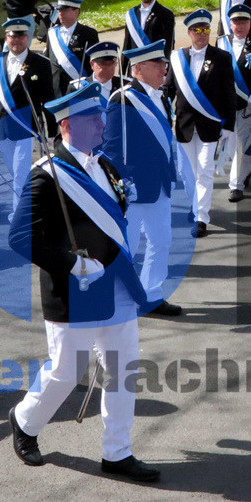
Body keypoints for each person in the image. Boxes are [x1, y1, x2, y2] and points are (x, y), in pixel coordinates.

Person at [7, 84, 159, 483]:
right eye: (94, 119)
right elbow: (21, 238)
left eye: (102, 117)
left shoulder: (105, 165)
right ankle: (25, 421)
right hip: (74, 292)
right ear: (67, 125)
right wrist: (73, 265)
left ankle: (117, 451)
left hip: (117, 287)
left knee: (122, 369)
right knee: (66, 372)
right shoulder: (47, 176)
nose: (102, 124)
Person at [100, 40, 182, 318]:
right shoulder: (123, 99)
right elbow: (111, 148)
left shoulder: (162, 97)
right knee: (128, 247)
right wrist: (120, 186)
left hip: (158, 184)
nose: (164, 69)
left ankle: (151, 296)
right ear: (138, 68)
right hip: (133, 188)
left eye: (164, 64)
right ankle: (116, 298)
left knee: (161, 241)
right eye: (158, 64)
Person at [165, 9, 236, 238]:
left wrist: (229, 125)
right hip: (184, 125)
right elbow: (169, 90)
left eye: (206, 30)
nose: (202, 34)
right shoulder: (177, 58)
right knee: (188, 173)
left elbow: (229, 94)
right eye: (197, 30)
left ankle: (201, 217)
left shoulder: (221, 58)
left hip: (210, 125)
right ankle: (193, 206)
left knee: (204, 171)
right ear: (189, 32)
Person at [0, 16, 55, 222]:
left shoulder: (40, 64)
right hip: (3, 127)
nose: (15, 40)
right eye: (11, 36)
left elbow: (48, 97)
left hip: (27, 127)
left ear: (28, 38)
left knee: (20, 173)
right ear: (6, 38)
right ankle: (36, 202)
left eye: (20, 36)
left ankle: (19, 216)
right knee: (15, 172)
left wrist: (52, 128)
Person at [215, 3, 251, 203]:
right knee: (231, 148)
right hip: (225, 106)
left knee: (242, 146)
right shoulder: (221, 42)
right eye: (235, 22)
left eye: (243, 21)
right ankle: (246, 170)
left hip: (247, 105)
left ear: (250, 23)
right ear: (230, 24)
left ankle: (236, 186)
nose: (239, 25)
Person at [45, 0, 100, 95]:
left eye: (64, 10)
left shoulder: (88, 33)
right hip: (56, 90)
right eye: (59, 10)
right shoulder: (52, 33)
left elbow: (95, 63)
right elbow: (47, 61)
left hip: (78, 88)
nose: (60, 13)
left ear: (76, 12)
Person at [122, 0, 175, 64]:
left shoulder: (165, 14)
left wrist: (165, 66)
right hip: (135, 66)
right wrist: (122, 73)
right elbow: (127, 44)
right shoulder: (131, 14)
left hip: (155, 65)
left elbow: (169, 44)